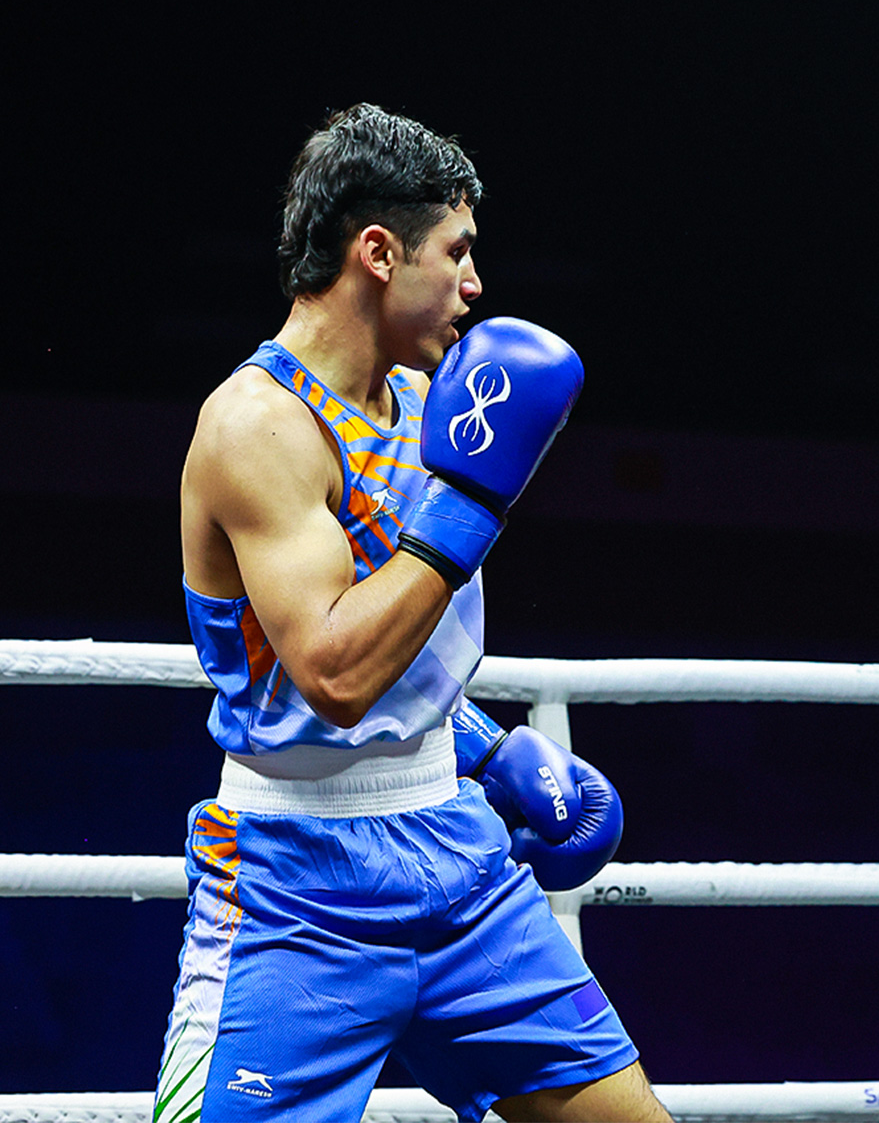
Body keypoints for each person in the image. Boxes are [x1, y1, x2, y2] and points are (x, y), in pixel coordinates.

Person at [157, 104, 674, 1123]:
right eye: (459, 251)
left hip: (458, 859)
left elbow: (406, 649)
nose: (477, 286)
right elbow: (335, 678)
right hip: (295, 893)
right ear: (378, 252)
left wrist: (481, 750)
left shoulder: (428, 397)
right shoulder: (257, 425)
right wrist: (473, 505)